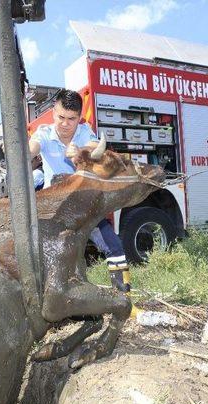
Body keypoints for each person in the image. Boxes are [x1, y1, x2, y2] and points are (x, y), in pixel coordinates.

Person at [29, 89, 132, 292]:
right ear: (53, 112)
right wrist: (20, 150)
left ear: (79, 118)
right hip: (56, 209)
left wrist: (81, 153)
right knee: (51, 254)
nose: (65, 124)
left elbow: (96, 147)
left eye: (71, 119)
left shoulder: (84, 132)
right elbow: (32, 147)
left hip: (85, 204)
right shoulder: (44, 133)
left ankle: (124, 297)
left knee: (113, 246)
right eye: (61, 117)